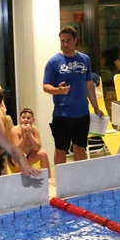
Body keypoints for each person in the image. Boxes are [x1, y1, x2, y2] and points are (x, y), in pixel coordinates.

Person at [42, 26, 104, 165]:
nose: (65, 44)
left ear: (75, 40)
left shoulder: (85, 59)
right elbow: (46, 86)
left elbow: (89, 84)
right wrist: (58, 90)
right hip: (62, 113)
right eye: (62, 41)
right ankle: (61, 176)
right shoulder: (53, 62)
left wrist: (96, 107)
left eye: (68, 40)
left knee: (80, 147)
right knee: (61, 149)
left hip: (82, 112)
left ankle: (79, 176)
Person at [10, 108, 50, 173]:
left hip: (30, 156)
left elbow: (38, 148)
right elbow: (16, 150)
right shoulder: (14, 130)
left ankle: (48, 177)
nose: (25, 120)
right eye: (23, 118)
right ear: (20, 119)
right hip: (17, 157)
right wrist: (24, 136)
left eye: (28, 118)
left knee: (43, 153)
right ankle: (20, 178)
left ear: (33, 120)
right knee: (22, 157)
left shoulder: (35, 130)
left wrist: (30, 134)